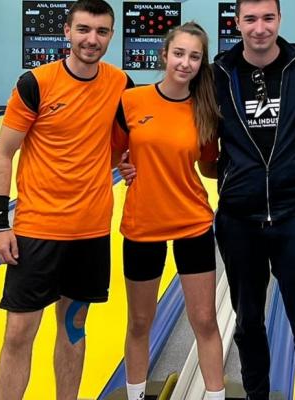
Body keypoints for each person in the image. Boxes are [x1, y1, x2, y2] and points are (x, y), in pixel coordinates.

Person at [0, 1, 133, 399]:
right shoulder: (36, 83)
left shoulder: (121, 84)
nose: (92, 39)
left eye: (101, 31)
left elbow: (120, 148)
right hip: (37, 230)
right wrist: (0, 223)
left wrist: (128, 163)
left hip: (90, 232)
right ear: (67, 31)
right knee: (19, 332)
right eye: (83, 29)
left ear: (111, 35)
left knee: (74, 328)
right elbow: (3, 153)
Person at [213, 0, 295, 398]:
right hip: (239, 218)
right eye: (250, 19)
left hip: (294, 214)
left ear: (279, 19)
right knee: (248, 323)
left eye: (268, 18)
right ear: (237, 22)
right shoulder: (219, 72)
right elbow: (199, 132)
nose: (259, 28)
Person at [113, 22, 226, 400]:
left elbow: (208, 166)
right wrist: (123, 164)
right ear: (164, 55)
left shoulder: (204, 109)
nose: (185, 62)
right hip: (143, 223)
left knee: (205, 320)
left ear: (200, 63)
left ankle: (215, 395)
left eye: (194, 56)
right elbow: (113, 152)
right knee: (139, 321)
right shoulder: (132, 101)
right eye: (179, 53)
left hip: (192, 222)